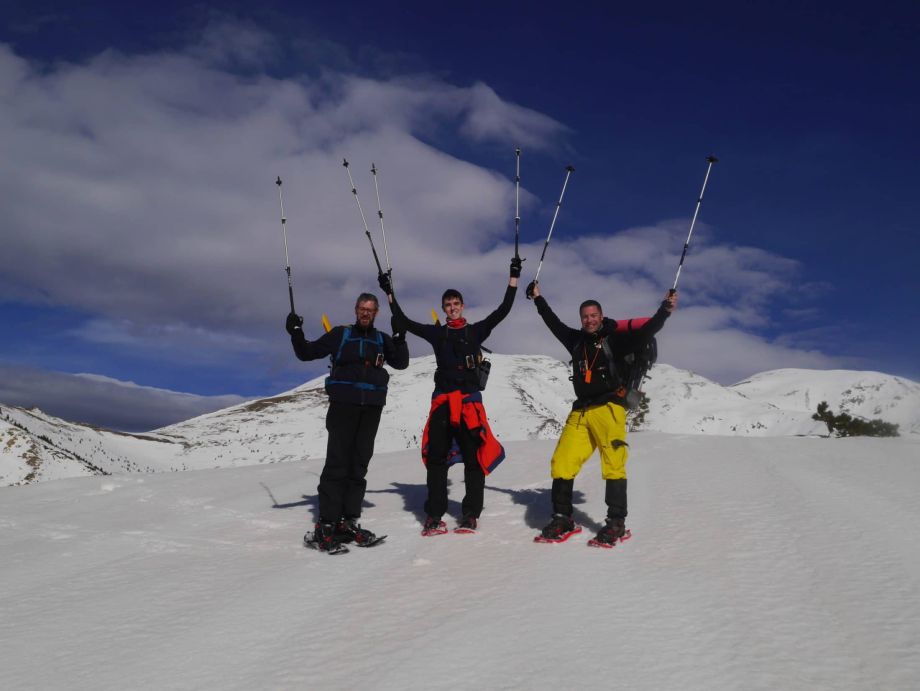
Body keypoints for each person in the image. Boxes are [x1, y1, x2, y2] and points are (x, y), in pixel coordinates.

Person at [526, 280, 677, 546]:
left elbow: (646, 333)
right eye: (585, 317)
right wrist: (538, 298)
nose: (589, 320)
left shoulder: (615, 340)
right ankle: (563, 518)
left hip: (609, 409)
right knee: (562, 462)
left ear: (601, 316)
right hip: (581, 412)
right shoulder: (575, 341)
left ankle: (616, 524)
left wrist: (665, 310)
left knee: (613, 465)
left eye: (594, 316)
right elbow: (553, 323)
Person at [379, 257, 521, 535]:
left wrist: (513, 278)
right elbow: (404, 321)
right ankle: (434, 515)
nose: (452, 308)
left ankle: (470, 514)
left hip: (469, 403)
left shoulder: (475, 330)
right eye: (448, 305)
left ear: (462, 305)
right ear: (443, 309)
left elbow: (503, 310)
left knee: (473, 458)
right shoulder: (437, 334)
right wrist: (389, 292)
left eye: (456, 304)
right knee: (436, 458)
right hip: (443, 402)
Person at [286, 292, 409, 553]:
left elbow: (401, 362)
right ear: (356, 310)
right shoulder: (341, 335)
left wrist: (400, 336)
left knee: (359, 464)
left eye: (371, 310)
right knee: (338, 463)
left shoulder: (380, 339)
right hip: (343, 406)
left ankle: (348, 520)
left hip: (371, 408)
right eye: (362, 309)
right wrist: (295, 331)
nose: (366, 313)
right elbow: (306, 353)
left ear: (376, 313)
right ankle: (327, 523)